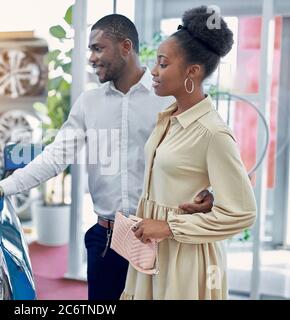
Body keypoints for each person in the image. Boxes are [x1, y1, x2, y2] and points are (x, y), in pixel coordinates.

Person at [0, 14, 214, 300]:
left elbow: (205, 151)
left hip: (159, 239)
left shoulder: (167, 98)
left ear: (126, 47)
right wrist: (1, 188)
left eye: (98, 48)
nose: (91, 57)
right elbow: (55, 157)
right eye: (90, 49)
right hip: (107, 241)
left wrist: (211, 190)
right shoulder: (89, 103)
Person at [120, 6, 257, 300]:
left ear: (192, 72)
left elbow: (243, 213)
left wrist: (169, 226)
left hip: (187, 261)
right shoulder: (167, 117)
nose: (153, 71)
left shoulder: (212, 133)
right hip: (152, 251)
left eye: (163, 64)